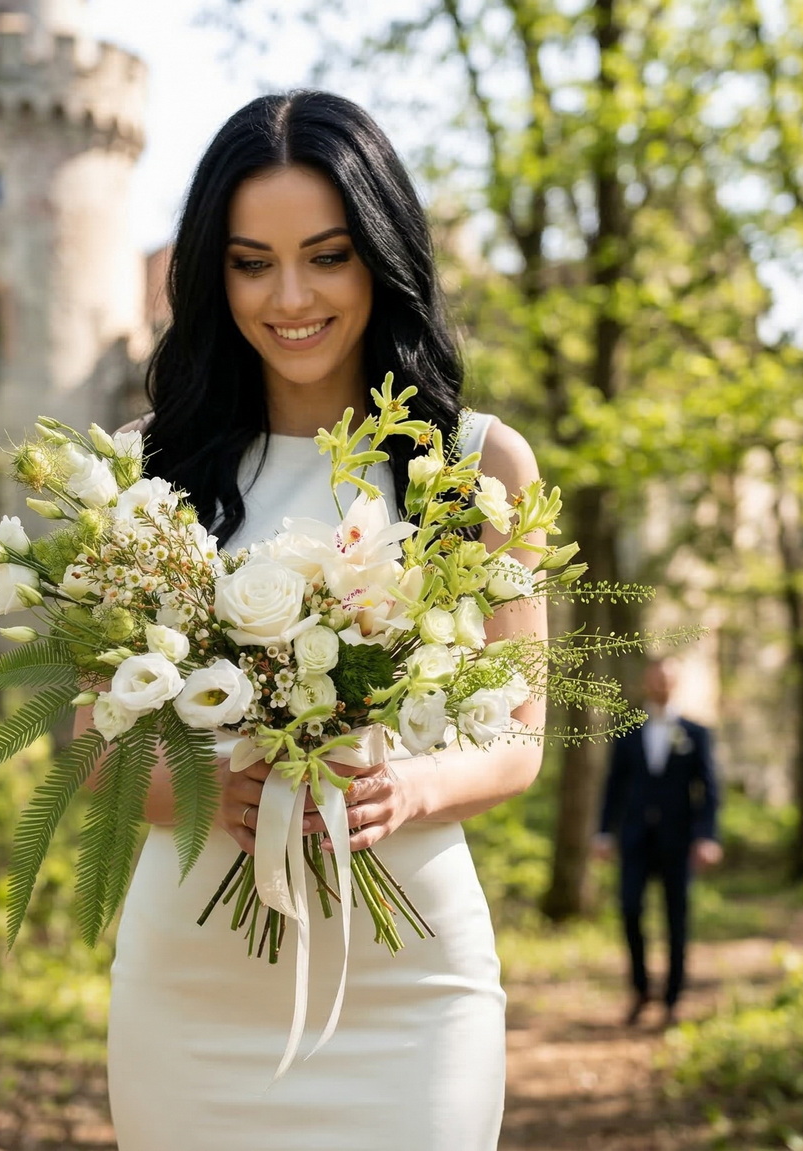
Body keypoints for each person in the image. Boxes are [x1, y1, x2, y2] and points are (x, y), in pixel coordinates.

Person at [75, 91, 547, 1150]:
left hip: (413, 989)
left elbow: (520, 736)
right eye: (251, 263)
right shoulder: (144, 471)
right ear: (213, 275)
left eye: (326, 256)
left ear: (381, 254)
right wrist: (214, 790)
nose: (289, 297)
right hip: (189, 995)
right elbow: (93, 751)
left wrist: (410, 786)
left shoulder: (477, 466)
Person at [592, 657, 723, 1029]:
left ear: (676, 682)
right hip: (635, 838)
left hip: (678, 841)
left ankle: (673, 998)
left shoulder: (696, 733)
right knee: (630, 909)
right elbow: (614, 785)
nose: (661, 684)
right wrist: (604, 832)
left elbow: (709, 789)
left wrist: (707, 836)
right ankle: (640, 990)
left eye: (668, 678)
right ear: (646, 681)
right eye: (656, 677)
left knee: (676, 917)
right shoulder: (628, 730)